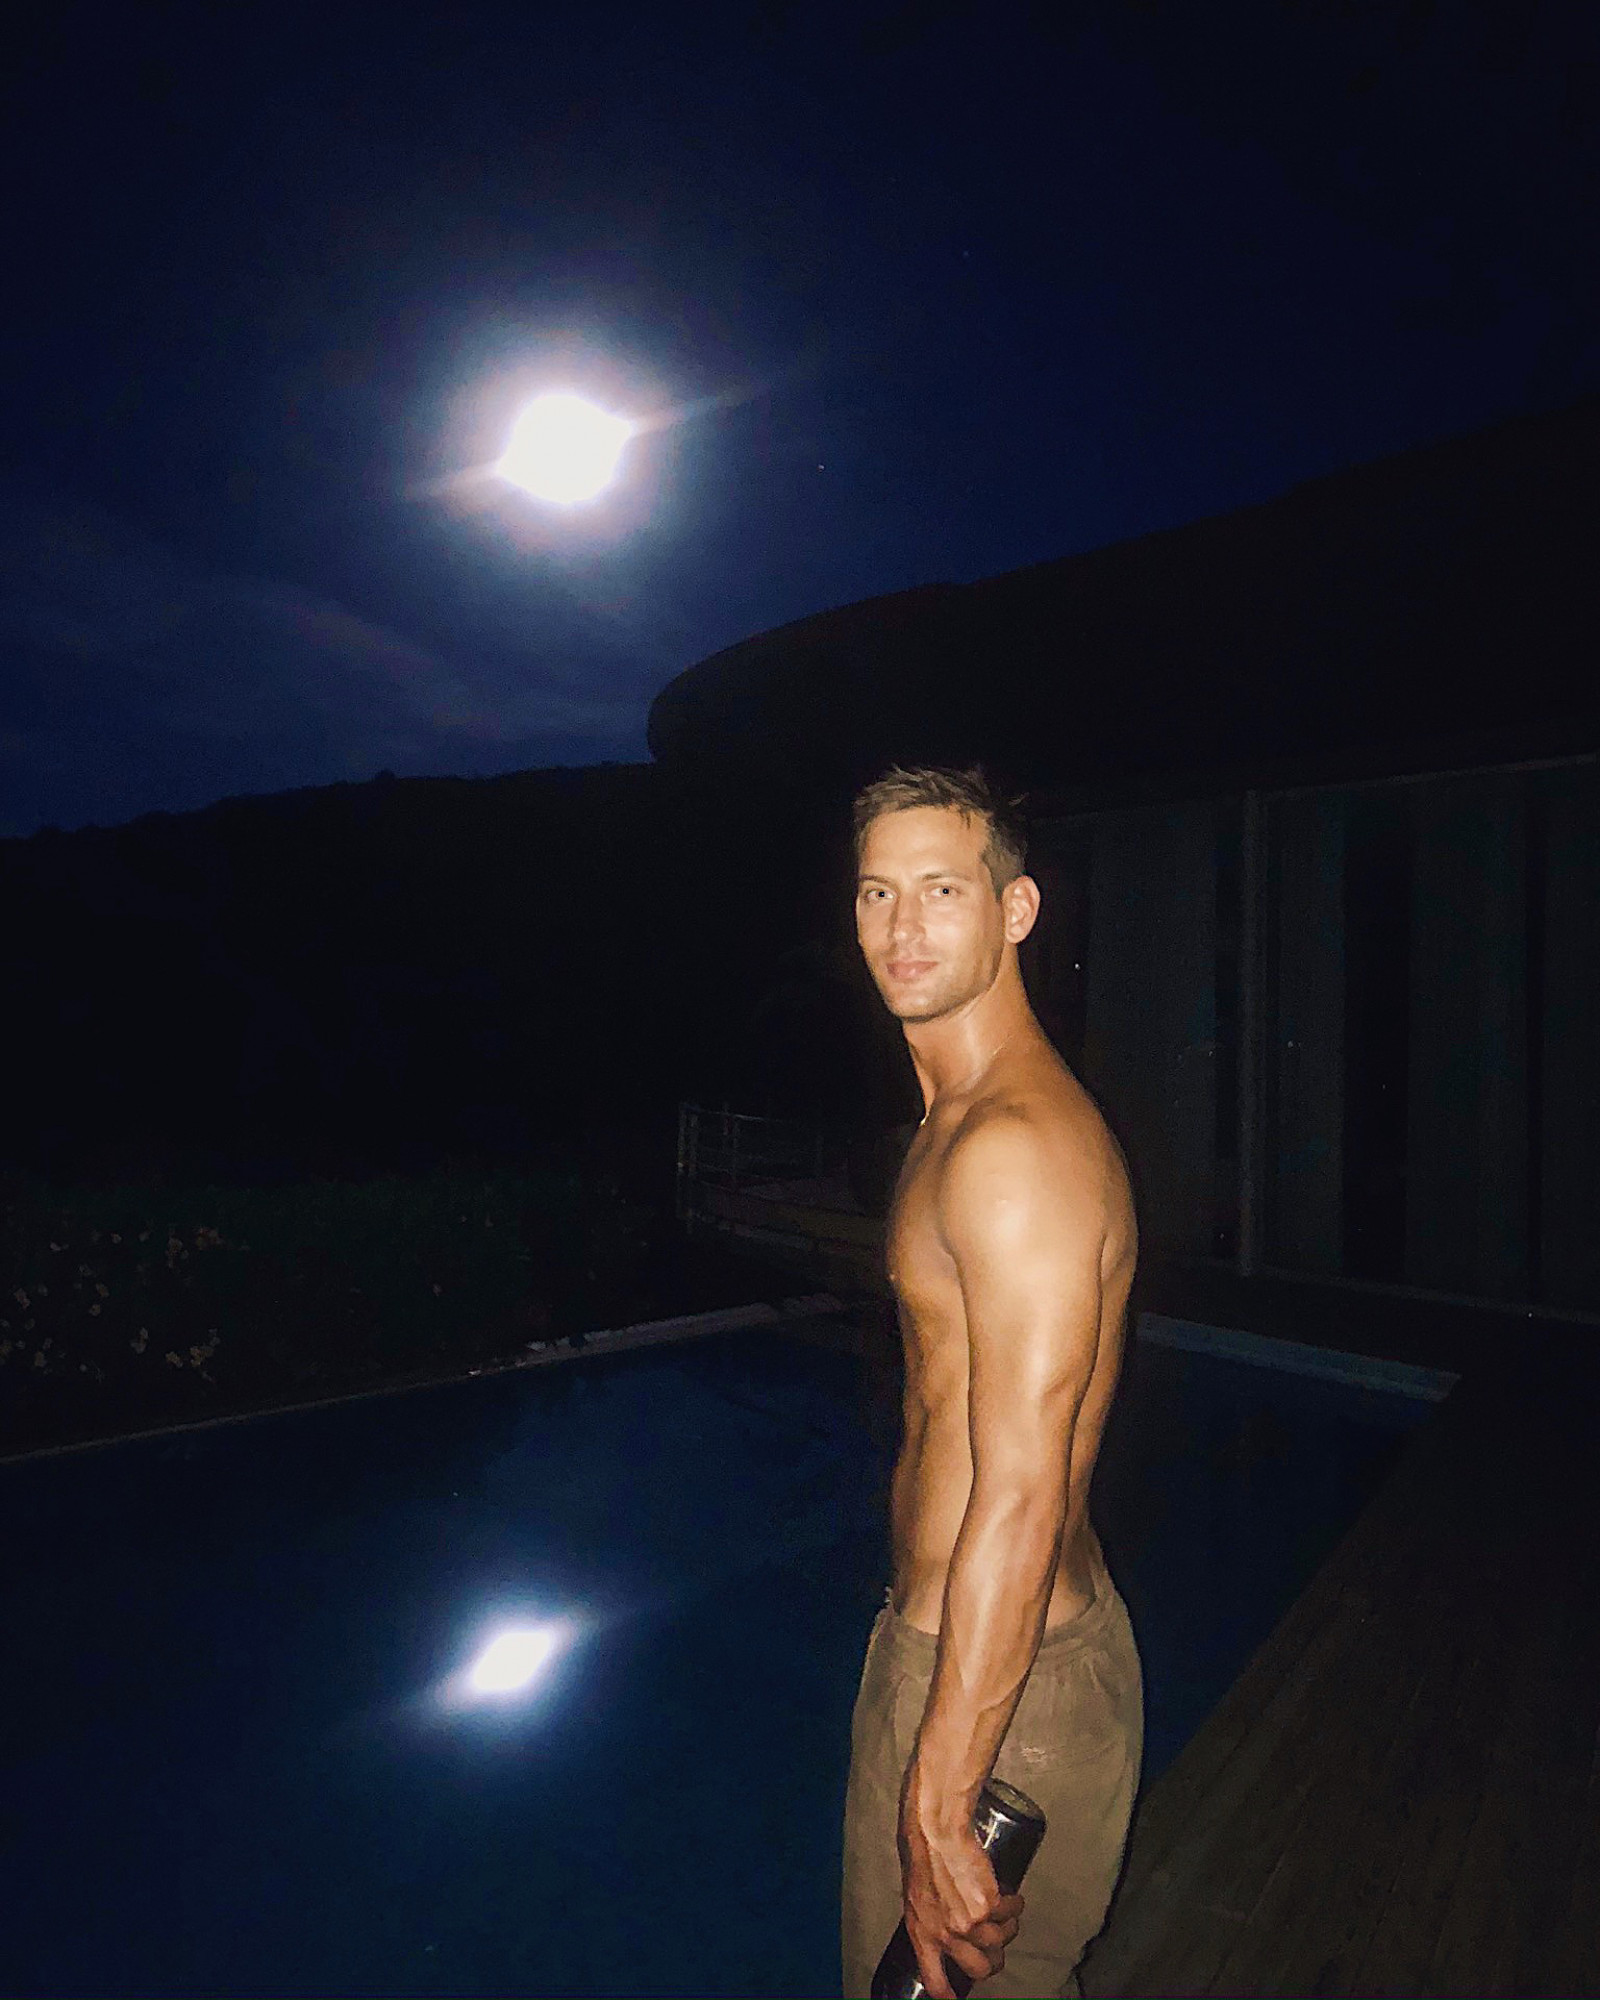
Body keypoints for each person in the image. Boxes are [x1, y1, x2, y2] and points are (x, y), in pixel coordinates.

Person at [841, 766, 1143, 2000]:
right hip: (968, 1657)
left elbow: (1021, 1492)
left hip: (996, 1693)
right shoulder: (951, 1123)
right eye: (877, 891)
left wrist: (937, 1797)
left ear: (1014, 909)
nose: (901, 926)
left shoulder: (1011, 1149)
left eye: (941, 889)